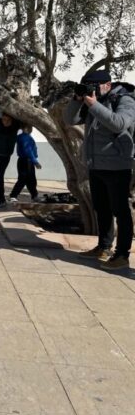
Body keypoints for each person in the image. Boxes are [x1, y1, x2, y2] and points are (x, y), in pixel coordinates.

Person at [65, 70, 135, 271]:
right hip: (96, 165)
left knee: (120, 211)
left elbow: (119, 123)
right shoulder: (93, 101)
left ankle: (122, 255)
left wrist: (93, 104)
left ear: (107, 84)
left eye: (94, 86)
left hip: (117, 166)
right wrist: (78, 99)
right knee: (102, 209)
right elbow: (70, 119)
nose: (92, 90)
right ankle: (103, 247)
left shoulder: (125, 100)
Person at [9, 124, 41, 203]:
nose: (32, 129)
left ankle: (34, 195)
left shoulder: (22, 136)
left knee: (31, 179)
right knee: (23, 179)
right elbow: (28, 150)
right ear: (26, 128)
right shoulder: (25, 137)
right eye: (30, 127)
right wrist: (35, 161)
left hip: (25, 161)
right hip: (27, 161)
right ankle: (13, 195)